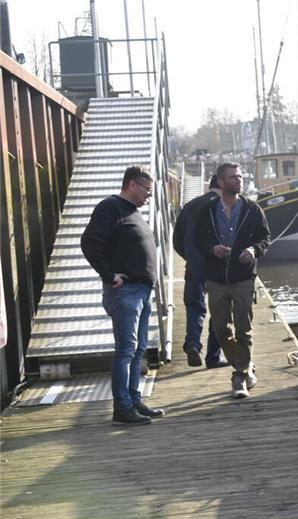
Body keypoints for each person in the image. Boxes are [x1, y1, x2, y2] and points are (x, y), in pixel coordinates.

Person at [80, 165, 165, 425]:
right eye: (146, 189)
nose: (149, 195)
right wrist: (109, 275)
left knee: (138, 350)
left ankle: (133, 400)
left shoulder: (132, 212)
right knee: (126, 350)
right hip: (125, 292)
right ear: (131, 184)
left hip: (141, 291)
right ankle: (122, 408)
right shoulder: (110, 207)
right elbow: (89, 242)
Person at [193, 162, 271, 398]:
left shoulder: (252, 209)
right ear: (220, 182)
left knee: (243, 329)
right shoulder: (208, 211)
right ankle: (246, 366)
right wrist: (211, 248)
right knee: (220, 329)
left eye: (239, 177)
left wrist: (254, 250)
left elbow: (265, 238)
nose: (238, 180)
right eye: (232, 177)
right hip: (216, 278)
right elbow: (198, 240)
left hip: (243, 277)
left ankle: (239, 377)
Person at [172, 174, 228, 369]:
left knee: (195, 307)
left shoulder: (189, 206)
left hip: (195, 267)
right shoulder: (225, 205)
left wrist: (191, 257)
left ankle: (193, 344)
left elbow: (177, 241)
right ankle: (213, 357)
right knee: (219, 310)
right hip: (219, 268)